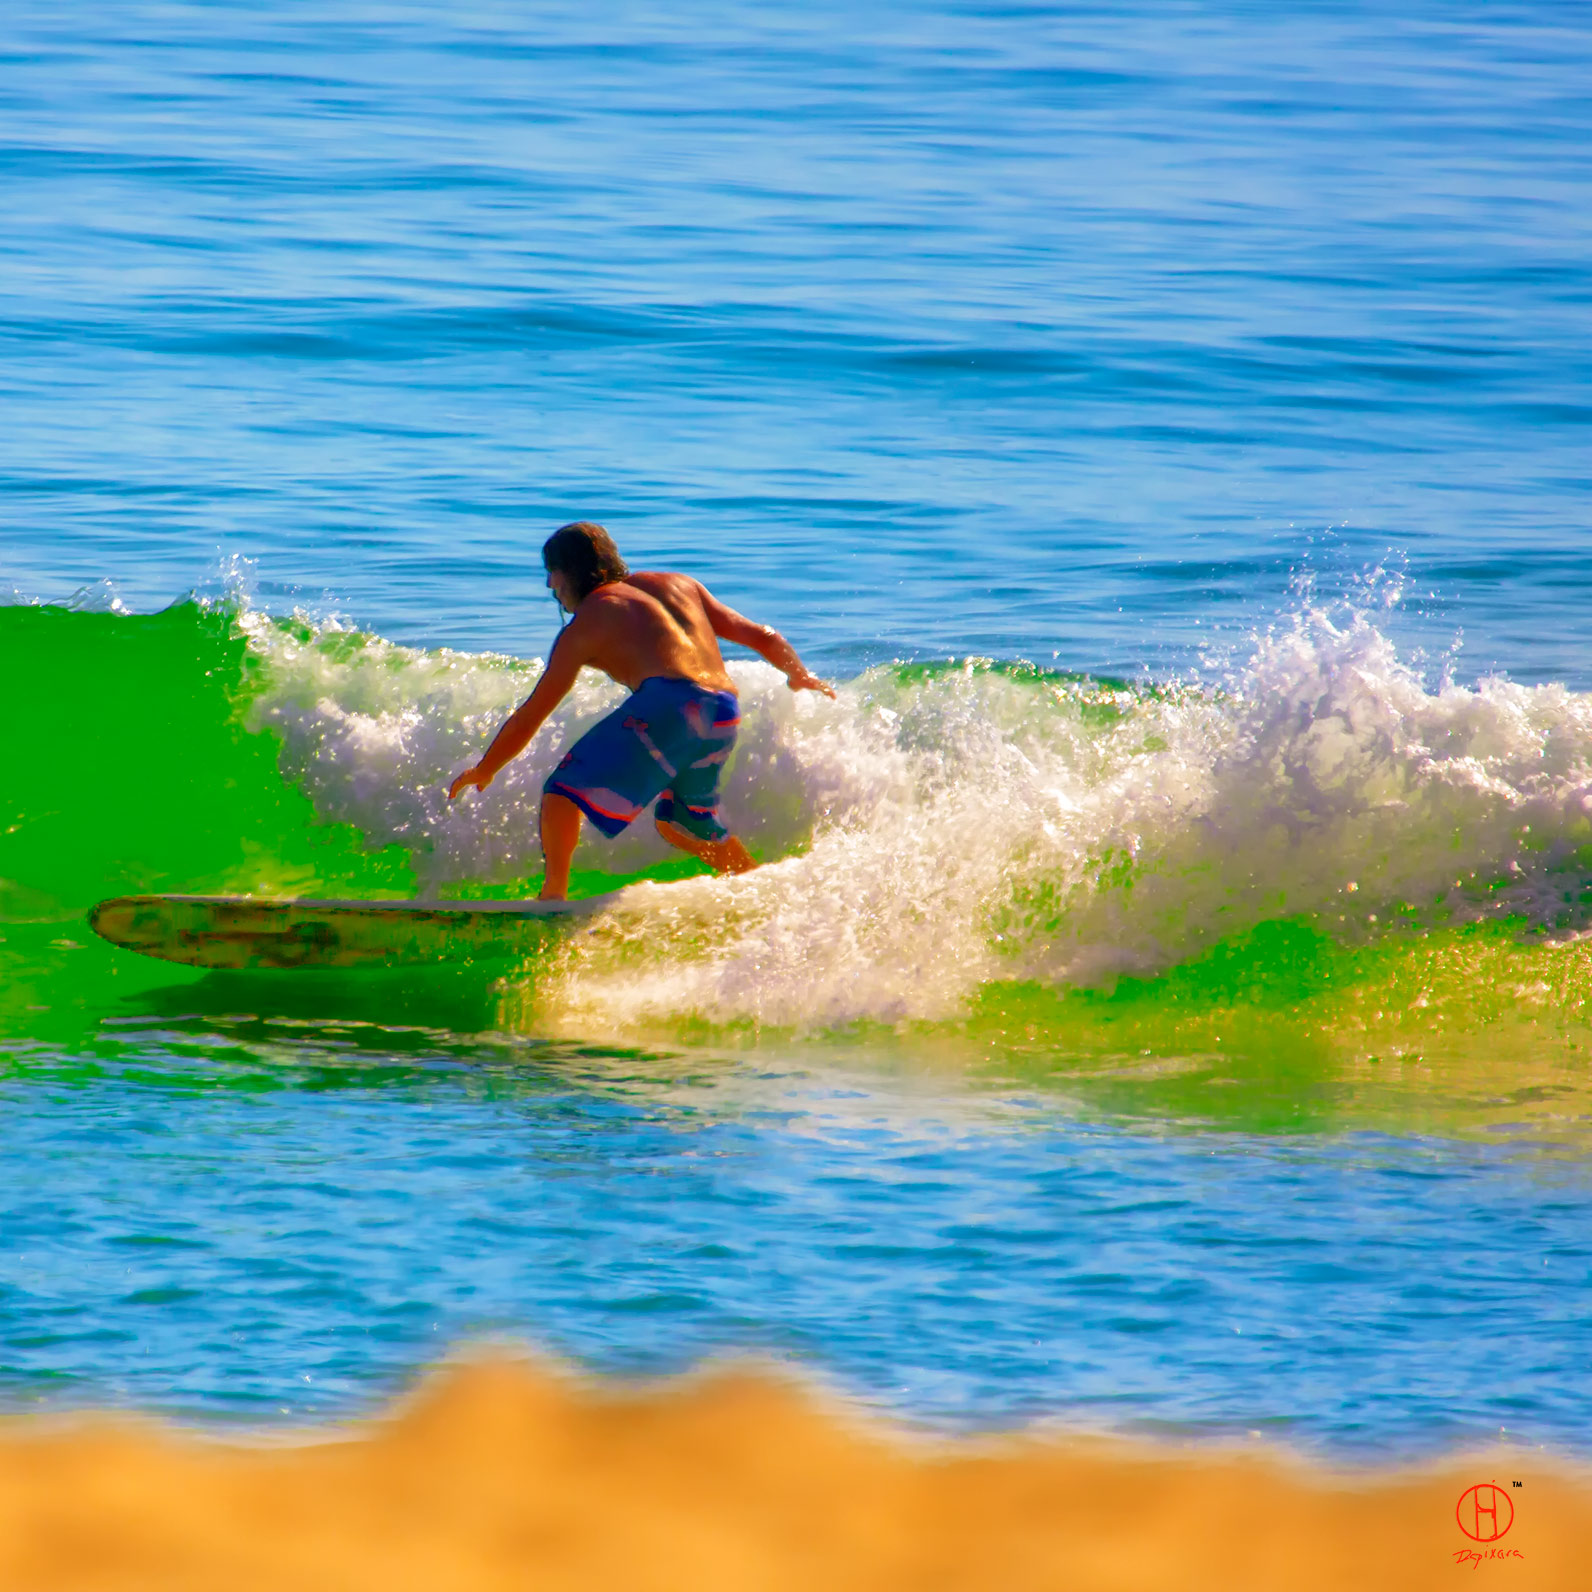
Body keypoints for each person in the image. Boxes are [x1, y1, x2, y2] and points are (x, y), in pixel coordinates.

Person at [448, 522, 835, 900]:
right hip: (722, 711)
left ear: (570, 573)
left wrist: (487, 768)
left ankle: (552, 899)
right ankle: (765, 895)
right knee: (682, 824)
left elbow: (534, 712)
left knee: (562, 792)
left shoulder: (589, 621)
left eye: (552, 572)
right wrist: (799, 676)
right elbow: (763, 635)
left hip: (672, 702)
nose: (550, 584)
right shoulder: (678, 585)